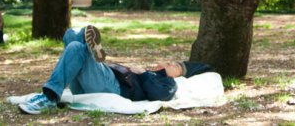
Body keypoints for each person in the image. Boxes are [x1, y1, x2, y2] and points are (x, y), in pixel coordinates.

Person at [18, 25, 213, 114]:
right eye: (172, 61)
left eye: (176, 66)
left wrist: (143, 73)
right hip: (96, 81)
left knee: (76, 47)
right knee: (70, 35)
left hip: (114, 87)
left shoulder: (168, 83)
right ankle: (94, 54)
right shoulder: (150, 72)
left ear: (179, 75)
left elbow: (161, 95)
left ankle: (50, 96)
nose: (171, 63)